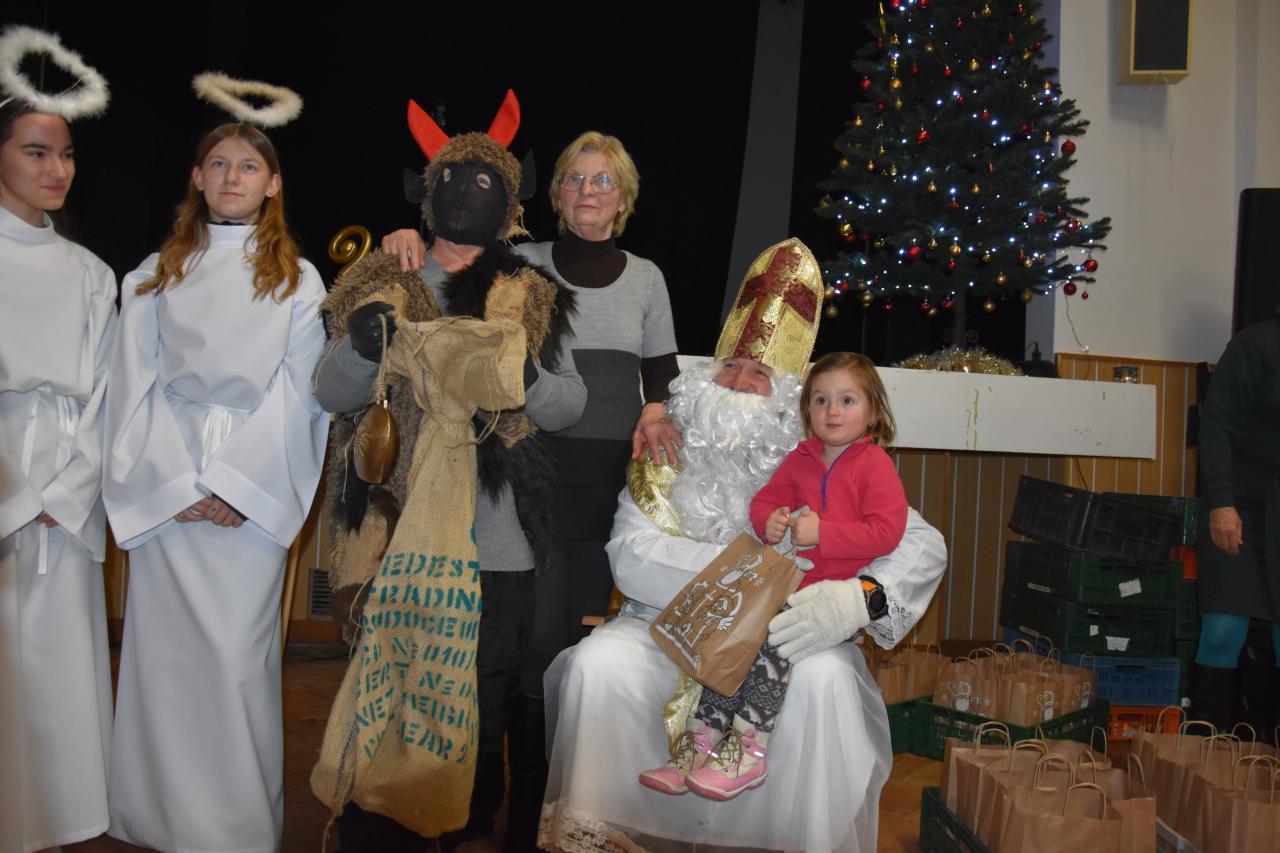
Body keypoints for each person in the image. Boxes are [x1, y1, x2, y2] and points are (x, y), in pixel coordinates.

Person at [539, 239, 948, 852]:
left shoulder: (813, 457)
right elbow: (630, 553)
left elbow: (920, 541)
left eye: (760, 374)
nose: (739, 382)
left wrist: (860, 597)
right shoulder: (667, 450)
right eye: (730, 367)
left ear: (787, 398)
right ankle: (608, 836)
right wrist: (748, 580)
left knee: (828, 681)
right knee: (597, 667)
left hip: (784, 634)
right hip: (665, 624)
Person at [381, 129, 678, 847]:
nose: (587, 191)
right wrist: (403, 236)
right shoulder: (525, 262)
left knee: (567, 645)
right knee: (527, 639)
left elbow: (662, 373)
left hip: (606, 485)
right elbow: (453, 253)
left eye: (602, 180)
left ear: (624, 196)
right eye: (574, 178)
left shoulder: (647, 277)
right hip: (527, 473)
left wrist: (656, 408)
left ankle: (541, 805)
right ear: (556, 194)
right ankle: (499, 798)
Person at [311, 92, 586, 852]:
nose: (467, 194)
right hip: (391, 533)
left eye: (486, 182)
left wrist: (523, 376)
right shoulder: (382, 278)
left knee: (482, 703)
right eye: (452, 180)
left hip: (495, 542)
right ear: (425, 196)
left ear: (511, 205)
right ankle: (376, 828)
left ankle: (462, 829)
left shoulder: (530, 294)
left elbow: (569, 403)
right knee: (386, 690)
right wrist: (363, 347)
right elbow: (330, 391)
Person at [103, 120, 328, 853]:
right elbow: (131, 384)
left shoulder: (298, 280)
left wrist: (238, 487)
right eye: (220, 164)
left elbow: (301, 394)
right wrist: (174, 484)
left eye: (250, 166)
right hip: (168, 473)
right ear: (197, 178)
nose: (234, 177)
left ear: (273, 184)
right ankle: (158, 817)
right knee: (164, 663)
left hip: (251, 488)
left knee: (237, 661)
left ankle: (232, 829)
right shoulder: (154, 273)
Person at [640, 351, 909, 801]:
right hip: (786, 587)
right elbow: (765, 501)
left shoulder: (875, 465)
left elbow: (887, 532)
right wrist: (770, 521)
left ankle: (748, 752)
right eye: (821, 401)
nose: (833, 411)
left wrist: (824, 534)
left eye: (847, 401)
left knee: (769, 646)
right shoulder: (800, 459)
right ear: (807, 411)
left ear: (874, 412)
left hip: (827, 604)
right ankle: (699, 744)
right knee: (736, 638)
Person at [0, 32, 115, 850]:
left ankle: (58, 815)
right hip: (8, 470)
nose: (56, 169)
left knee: (57, 664)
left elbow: (107, 394)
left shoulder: (90, 272)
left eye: (67, 154)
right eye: (36, 152)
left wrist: (64, 492)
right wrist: (14, 493)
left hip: (66, 485)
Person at [1191, 307, 1280, 735]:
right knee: (1223, 630)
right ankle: (1204, 753)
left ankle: (1267, 755)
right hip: (1237, 502)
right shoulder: (1257, 342)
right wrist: (1221, 503)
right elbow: (1217, 426)